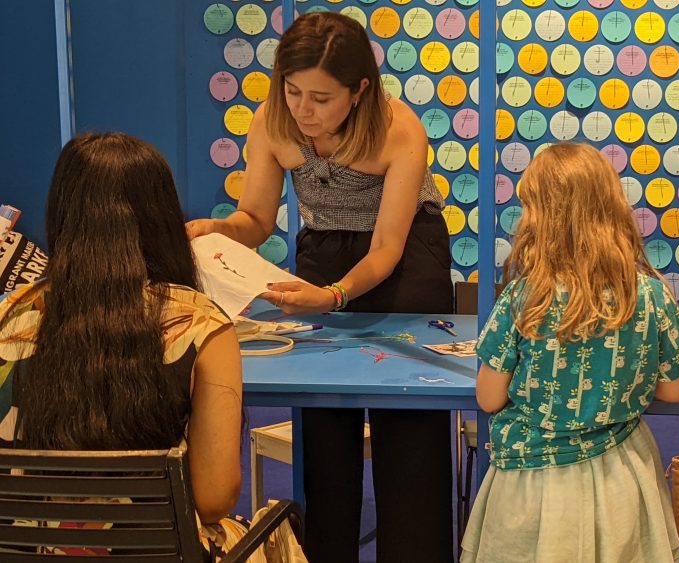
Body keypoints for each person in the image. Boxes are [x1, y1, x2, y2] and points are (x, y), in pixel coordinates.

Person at [185, 12, 454, 562]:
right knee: (324, 422)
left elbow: (386, 250)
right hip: (324, 249)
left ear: (360, 91)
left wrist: (333, 295)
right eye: (292, 92)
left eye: (322, 98)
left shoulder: (398, 127)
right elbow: (256, 218)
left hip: (406, 258)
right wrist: (222, 230)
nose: (304, 111)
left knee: (409, 430)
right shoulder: (271, 120)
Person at [0, 133, 245, 556]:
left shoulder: (10, 318)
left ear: (61, 213)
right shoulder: (200, 324)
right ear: (162, 218)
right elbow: (212, 498)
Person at [461, 143, 679, 563]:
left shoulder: (524, 298)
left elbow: (489, 398)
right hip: (622, 478)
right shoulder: (649, 293)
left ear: (541, 217)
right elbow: (675, 391)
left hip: (532, 484)